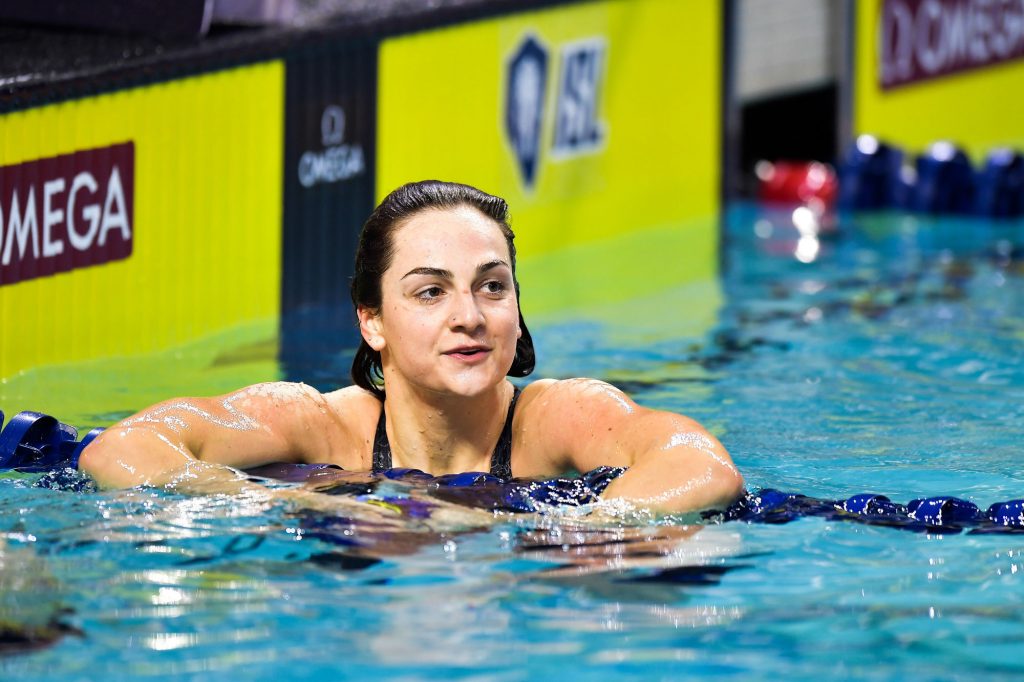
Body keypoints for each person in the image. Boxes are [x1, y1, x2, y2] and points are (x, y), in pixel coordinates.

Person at [79, 180, 744, 515]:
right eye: (430, 293)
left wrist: (552, 532)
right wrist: (292, 503)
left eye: (492, 287)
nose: (469, 318)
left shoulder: (556, 419)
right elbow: (123, 449)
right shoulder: (321, 425)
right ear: (372, 320)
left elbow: (702, 467)